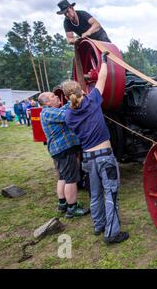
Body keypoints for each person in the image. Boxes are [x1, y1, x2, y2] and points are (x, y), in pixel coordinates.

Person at [63, 51, 129, 244]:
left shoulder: (68, 116)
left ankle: (98, 225)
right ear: (81, 88)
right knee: (111, 192)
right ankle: (112, 233)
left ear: (67, 96)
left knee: (96, 193)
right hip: (105, 157)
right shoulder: (93, 100)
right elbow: (102, 76)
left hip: (88, 159)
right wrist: (104, 60)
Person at [38, 91, 90, 218]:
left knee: (62, 177)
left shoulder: (49, 111)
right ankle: (72, 208)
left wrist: (70, 101)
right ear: (47, 102)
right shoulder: (48, 112)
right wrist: (74, 99)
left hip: (59, 150)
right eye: (52, 96)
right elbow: (67, 114)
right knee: (71, 179)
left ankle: (62, 203)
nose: (56, 96)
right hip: (64, 150)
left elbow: (64, 110)